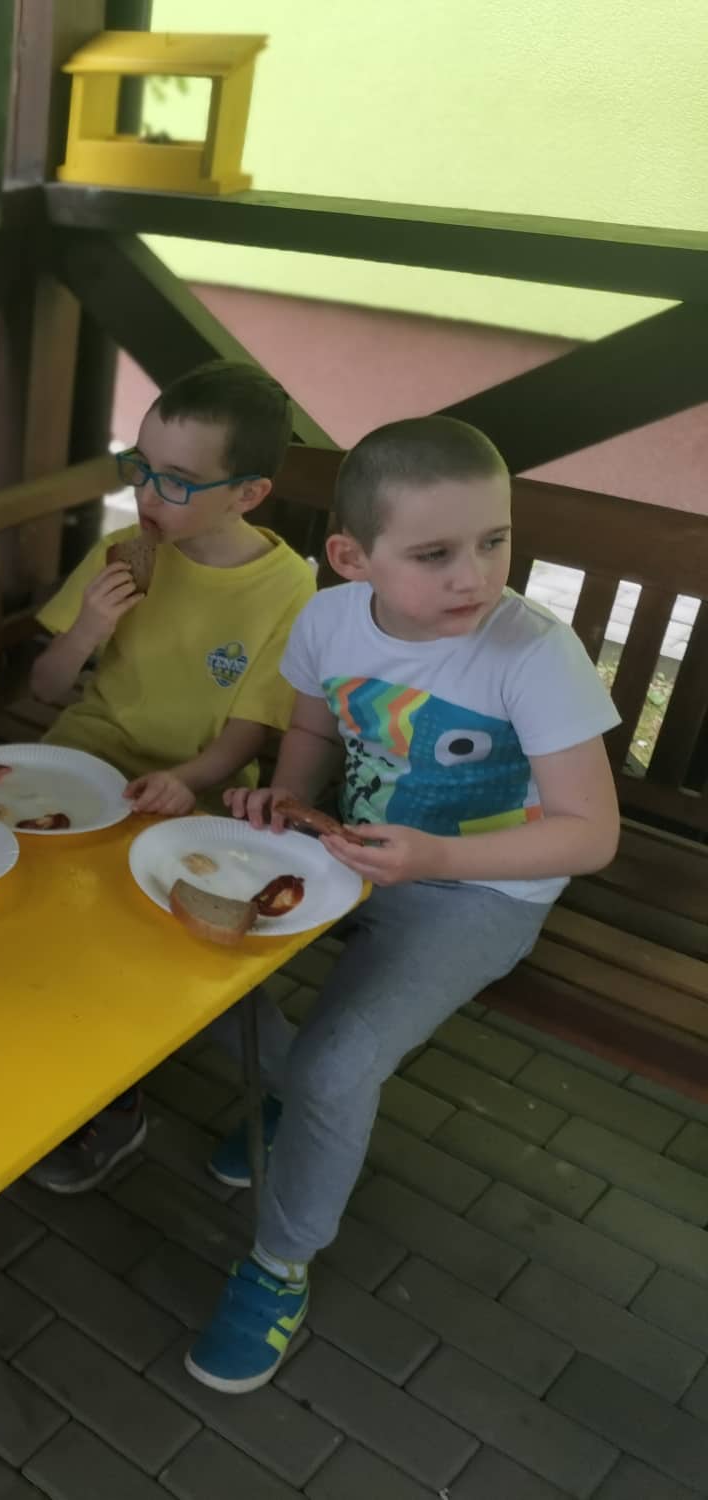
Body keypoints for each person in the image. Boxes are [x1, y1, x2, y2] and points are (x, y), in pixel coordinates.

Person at [187, 416, 619, 1393]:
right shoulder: (328, 620)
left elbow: (590, 833)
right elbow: (311, 728)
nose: (475, 575)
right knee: (184, 967)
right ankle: (290, 1097)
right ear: (353, 558)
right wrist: (287, 800)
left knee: (338, 1065)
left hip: (479, 889)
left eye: (494, 541)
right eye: (434, 554)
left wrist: (435, 857)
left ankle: (279, 1262)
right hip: (350, 849)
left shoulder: (531, 652)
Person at [29, 360, 317, 1193]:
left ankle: (277, 1090)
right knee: (27, 903)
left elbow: (247, 735)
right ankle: (44, 1056)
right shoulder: (119, 554)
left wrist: (187, 779)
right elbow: (45, 687)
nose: (148, 494)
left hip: (197, 792)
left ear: (248, 494)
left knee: (175, 939)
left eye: (178, 481)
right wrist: (87, 628)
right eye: (141, 466)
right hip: (81, 761)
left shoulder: (288, 590)